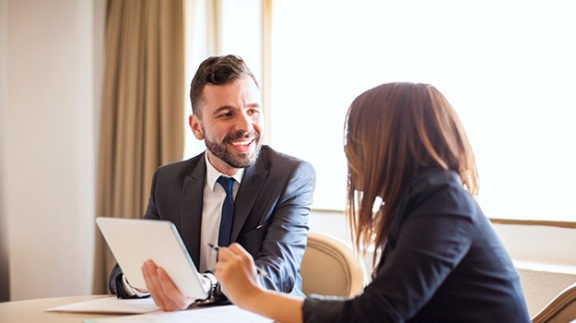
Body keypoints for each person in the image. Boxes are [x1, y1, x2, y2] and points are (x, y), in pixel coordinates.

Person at [214, 82, 531, 322]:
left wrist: (252, 296)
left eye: (356, 137)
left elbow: (377, 314)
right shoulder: (421, 204)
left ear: (389, 143)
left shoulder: (442, 203)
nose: (349, 150)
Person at [108, 55, 316, 311]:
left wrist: (201, 287)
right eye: (227, 114)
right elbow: (125, 271)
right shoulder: (168, 181)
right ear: (197, 127)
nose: (245, 126)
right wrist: (144, 281)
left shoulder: (290, 176)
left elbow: (278, 272)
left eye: (252, 110)